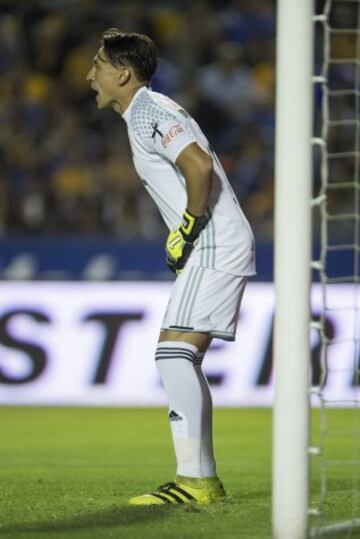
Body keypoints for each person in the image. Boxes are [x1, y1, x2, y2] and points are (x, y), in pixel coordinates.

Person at [87, 29, 256, 506]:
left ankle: (197, 482)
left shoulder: (150, 111)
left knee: (173, 355)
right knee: (180, 355)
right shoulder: (143, 114)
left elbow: (199, 166)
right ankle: (200, 480)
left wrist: (186, 226)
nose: (88, 76)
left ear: (123, 73)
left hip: (213, 243)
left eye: (97, 66)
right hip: (213, 243)